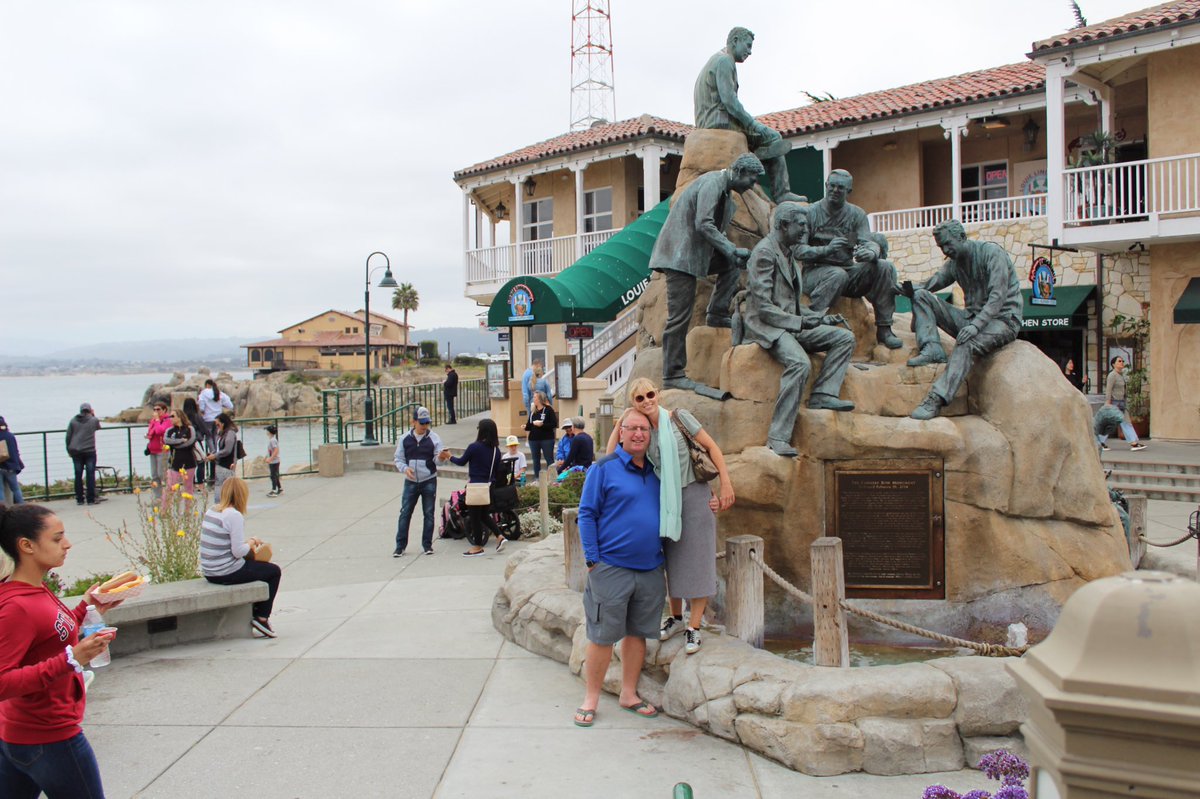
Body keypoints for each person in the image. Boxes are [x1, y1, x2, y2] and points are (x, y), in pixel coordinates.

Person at [605, 379, 735, 655]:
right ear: (634, 403)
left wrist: (725, 484)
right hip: (663, 500)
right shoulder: (642, 430)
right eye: (639, 398)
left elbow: (712, 448)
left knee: (698, 561)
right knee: (670, 560)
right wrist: (620, 424)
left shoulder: (678, 418)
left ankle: (694, 626)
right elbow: (610, 454)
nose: (647, 400)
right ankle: (676, 618)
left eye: (650, 394)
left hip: (694, 494)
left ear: (658, 394)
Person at [0, 503, 119, 797]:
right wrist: (71, 660)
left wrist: (86, 608)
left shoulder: (35, 587)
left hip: (25, 735)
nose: (67, 544)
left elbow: (51, 633)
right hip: (49, 737)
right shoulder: (16, 607)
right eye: (56, 538)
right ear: (26, 545)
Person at [738, 202, 856, 456]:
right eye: (800, 224)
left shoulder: (789, 252)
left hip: (791, 322)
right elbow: (763, 308)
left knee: (844, 338)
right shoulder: (764, 253)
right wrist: (799, 323)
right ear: (783, 225)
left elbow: (791, 302)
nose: (805, 229)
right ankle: (777, 437)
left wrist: (819, 318)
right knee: (800, 364)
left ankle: (824, 393)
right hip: (768, 326)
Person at [574, 408, 664, 727]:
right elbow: (586, 514)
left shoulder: (657, 471)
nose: (638, 434)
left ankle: (629, 694)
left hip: (650, 568)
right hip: (610, 567)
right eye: (632, 428)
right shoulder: (604, 468)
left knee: (637, 633)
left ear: (650, 435)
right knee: (602, 636)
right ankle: (591, 699)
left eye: (644, 429)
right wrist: (592, 560)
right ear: (621, 432)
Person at [650, 154, 765, 391]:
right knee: (679, 317)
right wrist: (731, 248)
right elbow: (704, 223)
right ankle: (672, 373)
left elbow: (713, 231)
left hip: (693, 255)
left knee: (731, 262)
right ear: (740, 171)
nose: (752, 185)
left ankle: (717, 312)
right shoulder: (713, 182)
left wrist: (732, 253)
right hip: (678, 256)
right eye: (751, 179)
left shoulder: (725, 192)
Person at [903, 219, 1024, 421]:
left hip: (1003, 320)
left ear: (962, 237)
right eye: (941, 246)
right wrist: (905, 289)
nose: (946, 250)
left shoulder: (992, 254)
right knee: (922, 295)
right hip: (971, 319)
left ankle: (937, 398)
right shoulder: (954, 264)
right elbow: (932, 283)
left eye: (948, 244)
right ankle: (932, 348)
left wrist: (976, 326)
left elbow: (998, 297)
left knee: (966, 342)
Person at [793, 170, 902, 350]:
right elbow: (798, 250)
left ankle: (884, 329)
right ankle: (813, 322)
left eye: (841, 188)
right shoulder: (810, 213)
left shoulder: (857, 214)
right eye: (832, 186)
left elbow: (869, 242)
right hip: (814, 273)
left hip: (847, 272)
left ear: (848, 191)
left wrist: (871, 253)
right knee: (837, 274)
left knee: (884, 267)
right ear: (826, 186)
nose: (835, 190)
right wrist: (826, 249)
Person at [693, 27, 801, 204]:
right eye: (748, 46)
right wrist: (753, 125)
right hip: (718, 121)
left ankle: (759, 156)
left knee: (763, 140)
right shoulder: (724, 61)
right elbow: (730, 101)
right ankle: (781, 192)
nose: (750, 52)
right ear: (735, 40)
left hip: (711, 120)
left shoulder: (717, 59)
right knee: (774, 137)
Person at [201, 477, 281, 638]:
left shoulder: (212, 510)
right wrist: (252, 541)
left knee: (256, 567)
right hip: (225, 571)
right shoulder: (233, 515)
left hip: (209, 570)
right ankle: (261, 617)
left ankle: (255, 611)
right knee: (273, 571)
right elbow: (238, 552)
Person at [447, 419, 507, 557]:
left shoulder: (474, 447)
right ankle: (499, 536)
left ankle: (478, 547)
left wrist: (449, 456)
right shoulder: (496, 451)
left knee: (474, 517)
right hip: (488, 487)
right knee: (484, 515)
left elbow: (461, 462)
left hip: (475, 487)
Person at [393, 406, 444, 557]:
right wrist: (404, 468)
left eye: (427, 423)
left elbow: (438, 461)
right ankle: (400, 546)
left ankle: (427, 545)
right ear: (413, 422)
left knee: (428, 513)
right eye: (422, 423)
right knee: (405, 512)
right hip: (411, 481)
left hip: (429, 480)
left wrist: (441, 457)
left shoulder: (434, 438)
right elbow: (398, 458)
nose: (424, 426)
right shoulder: (404, 439)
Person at [1101, 355, 1147, 451]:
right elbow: (1108, 389)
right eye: (1119, 361)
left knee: (1124, 422)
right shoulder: (1112, 375)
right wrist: (1108, 402)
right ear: (1113, 364)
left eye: (1122, 361)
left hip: (1120, 403)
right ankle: (1133, 443)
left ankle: (1133, 442)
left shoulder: (1120, 375)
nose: (1122, 362)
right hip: (1114, 403)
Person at [65, 403, 104, 506]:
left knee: (78, 475)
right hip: (89, 451)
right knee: (90, 474)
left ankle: (79, 499)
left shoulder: (73, 421)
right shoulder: (93, 420)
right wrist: (94, 415)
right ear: (90, 410)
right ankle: (90, 499)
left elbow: (68, 437)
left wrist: (68, 450)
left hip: (76, 451)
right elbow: (98, 427)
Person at [198, 379, 233, 485]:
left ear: (207, 385)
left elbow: (201, 407)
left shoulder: (203, 393)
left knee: (209, 440)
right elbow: (230, 406)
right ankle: (216, 454)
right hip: (218, 421)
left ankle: (213, 455)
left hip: (208, 421)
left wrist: (204, 411)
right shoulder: (220, 394)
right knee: (218, 441)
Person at [162, 409, 199, 502]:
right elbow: (166, 440)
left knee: (188, 488)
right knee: (170, 487)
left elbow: (190, 442)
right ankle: (164, 512)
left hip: (188, 463)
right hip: (174, 464)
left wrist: (176, 445)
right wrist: (180, 441)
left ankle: (188, 512)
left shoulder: (190, 429)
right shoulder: (169, 431)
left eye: (173, 416)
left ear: (180, 417)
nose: (170, 418)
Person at [524, 390, 558, 479]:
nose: (533, 399)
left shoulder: (548, 410)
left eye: (535, 397)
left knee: (549, 459)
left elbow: (554, 424)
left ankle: (552, 478)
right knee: (536, 460)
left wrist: (542, 424)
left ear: (539, 399)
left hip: (547, 438)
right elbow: (529, 425)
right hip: (534, 439)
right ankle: (537, 478)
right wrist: (525, 426)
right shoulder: (533, 411)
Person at [205, 413, 239, 494]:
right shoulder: (220, 433)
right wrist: (212, 454)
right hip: (220, 463)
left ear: (223, 423)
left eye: (218, 424)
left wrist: (215, 455)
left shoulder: (230, 433)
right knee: (220, 490)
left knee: (227, 489)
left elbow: (227, 450)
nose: (216, 426)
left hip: (227, 464)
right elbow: (218, 447)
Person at [145, 400, 172, 499]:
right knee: (154, 475)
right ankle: (158, 497)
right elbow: (151, 432)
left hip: (162, 451)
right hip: (153, 450)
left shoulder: (167, 420)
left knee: (162, 474)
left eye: (158, 409)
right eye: (155, 409)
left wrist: (157, 420)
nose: (156, 411)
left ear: (164, 410)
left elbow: (160, 431)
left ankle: (168, 494)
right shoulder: (153, 421)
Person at [183, 397, 209, 485]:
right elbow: (204, 428)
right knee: (201, 462)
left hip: (185, 443)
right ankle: (200, 483)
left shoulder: (182, 418)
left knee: (189, 465)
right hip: (196, 442)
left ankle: (191, 483)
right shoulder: (196, 416)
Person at [0, 418, 23, 505]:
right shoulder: (10, 436)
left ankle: (2, 509)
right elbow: (15, 451)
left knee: (0, 491)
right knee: (16, 489)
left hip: (0, 467)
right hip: (11, 467)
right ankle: (22, 506)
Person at [265, 425, 282, 497]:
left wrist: (270, 458)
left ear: (269, 432)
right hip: (274, 461)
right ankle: (280, 488)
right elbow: (270, 451)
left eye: (267, 431)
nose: (266, 432)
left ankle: (274, 490)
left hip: (274, 461)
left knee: (273, 476)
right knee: (275, 475)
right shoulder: (272, 440)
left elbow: (276, 450)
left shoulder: (273, 440)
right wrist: (266, 457)